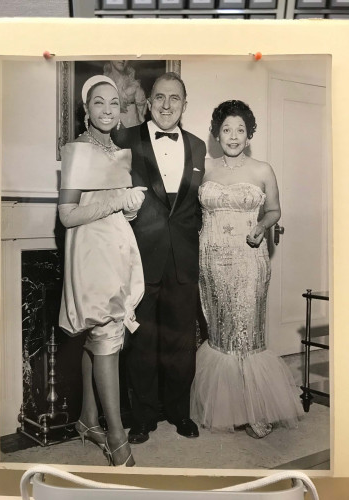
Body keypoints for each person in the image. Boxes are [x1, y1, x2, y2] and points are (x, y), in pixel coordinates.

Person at [190, 100, 303, 438]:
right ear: (217, 133)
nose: (233, 136)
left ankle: (255, 410)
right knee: (221, 330)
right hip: (209, 261)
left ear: (249, 133)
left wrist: (261, 226)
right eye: (227, 129)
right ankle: (228, 406)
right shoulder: (204, 168)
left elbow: (274, 211)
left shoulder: (262, 169)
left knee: (248, 331)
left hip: (248, 259)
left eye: (240, 130)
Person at [113, 72, 206, 444]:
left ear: (185, 105)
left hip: (184, 259)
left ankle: (179, 413)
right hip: (140, 257)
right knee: (142, 341)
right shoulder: (125, 140)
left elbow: (196, 206)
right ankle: (143, 417)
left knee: (181, 341)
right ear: (148, 102)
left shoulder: (198, 147)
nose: (167, 105)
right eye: (160, 98)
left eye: (176, 99)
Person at [58, 75, 147, 466]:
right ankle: (116, 437)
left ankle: (88, 420)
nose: (108, 110)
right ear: (86, 109)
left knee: (101, 335)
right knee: (107, 335)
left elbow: (124, 210)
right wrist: (115, 202)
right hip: (91, 252)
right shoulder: (78, 150)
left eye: (114, 103)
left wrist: (131, 205)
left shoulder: (118, 150)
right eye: (99, 103)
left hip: (118, 249)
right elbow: (67, 215)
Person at [104, 60, 147, 128]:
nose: (122, 59)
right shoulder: (103, 83)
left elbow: (141, 112)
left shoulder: (134, 84)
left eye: (126, 56)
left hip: (131, 128)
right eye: (119, 54)